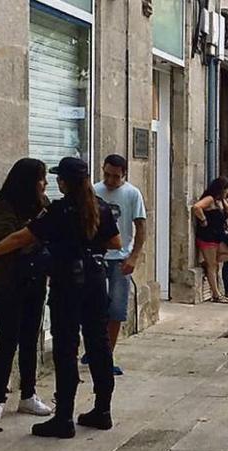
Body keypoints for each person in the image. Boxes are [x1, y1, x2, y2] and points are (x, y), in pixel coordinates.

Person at [0, 157, 122, 439]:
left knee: (66, 350)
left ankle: (63, 419)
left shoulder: (59, 210)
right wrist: (87, 243)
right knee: (99, 345)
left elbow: (19, 239)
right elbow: (115, 243)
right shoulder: (100, 207)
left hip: (68, 285)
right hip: (96, 283)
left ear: (65, 182)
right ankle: (102, 410)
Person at [0, 159, 53, 424]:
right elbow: (7, 238)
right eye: (41, 178)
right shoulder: (4, 206)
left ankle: (28, 394)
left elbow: (50, 235)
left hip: (34, 279)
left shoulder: (44, 205)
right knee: (8, 338)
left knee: (31, 338)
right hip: (7, 281)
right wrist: (36, 230)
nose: (45, 184)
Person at [91, 154, 147, 376]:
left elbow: (141, 227)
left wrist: (134, 257)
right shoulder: (94, 191)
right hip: (97, 256)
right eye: (106, 175)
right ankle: (94, 348)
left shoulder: (132, 194)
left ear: (124, 174)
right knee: (94, 307)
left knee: (115, 309)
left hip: (120, 258)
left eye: (115, 176)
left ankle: (107, 355)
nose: (110, 180)